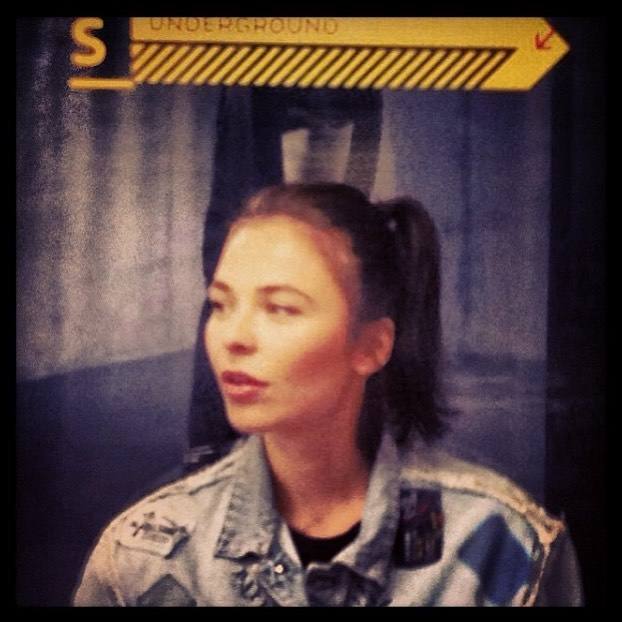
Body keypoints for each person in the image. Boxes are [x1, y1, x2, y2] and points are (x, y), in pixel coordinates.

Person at [72, 182, 583, 606]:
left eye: (280, 308)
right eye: (221, 304)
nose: (234, 337)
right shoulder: (147, 558)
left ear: (372, 345)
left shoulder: (499, 546)